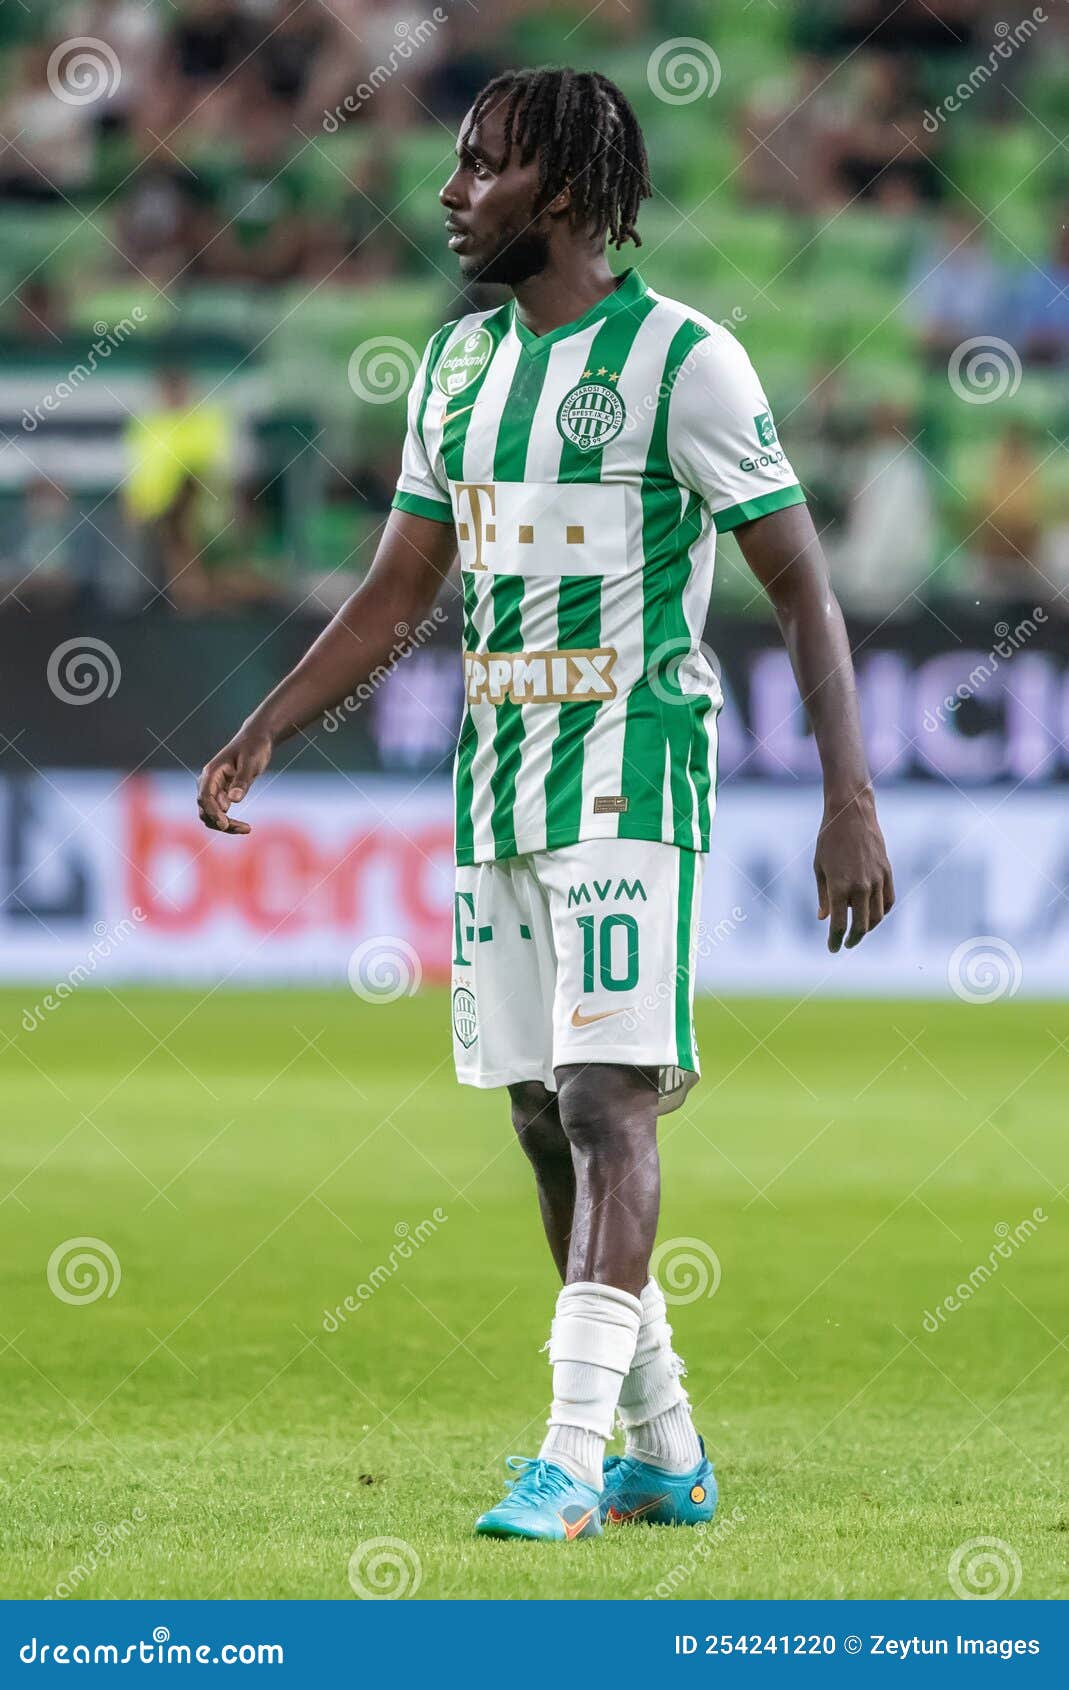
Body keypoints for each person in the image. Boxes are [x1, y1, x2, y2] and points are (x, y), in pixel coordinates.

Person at [196, 68, 894, 1542]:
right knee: (534, 1113)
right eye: (454, 165)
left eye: (480, 167)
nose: (448, 191)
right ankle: (662, 1445)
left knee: (604, 1098)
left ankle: (567, 1461)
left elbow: (798, 581)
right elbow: (400, 587)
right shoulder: (453, 371)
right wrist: (265, 721)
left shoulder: (681, 361)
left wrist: (848, 792)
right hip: (497, 763)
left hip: (630, 761)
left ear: (561, 196)